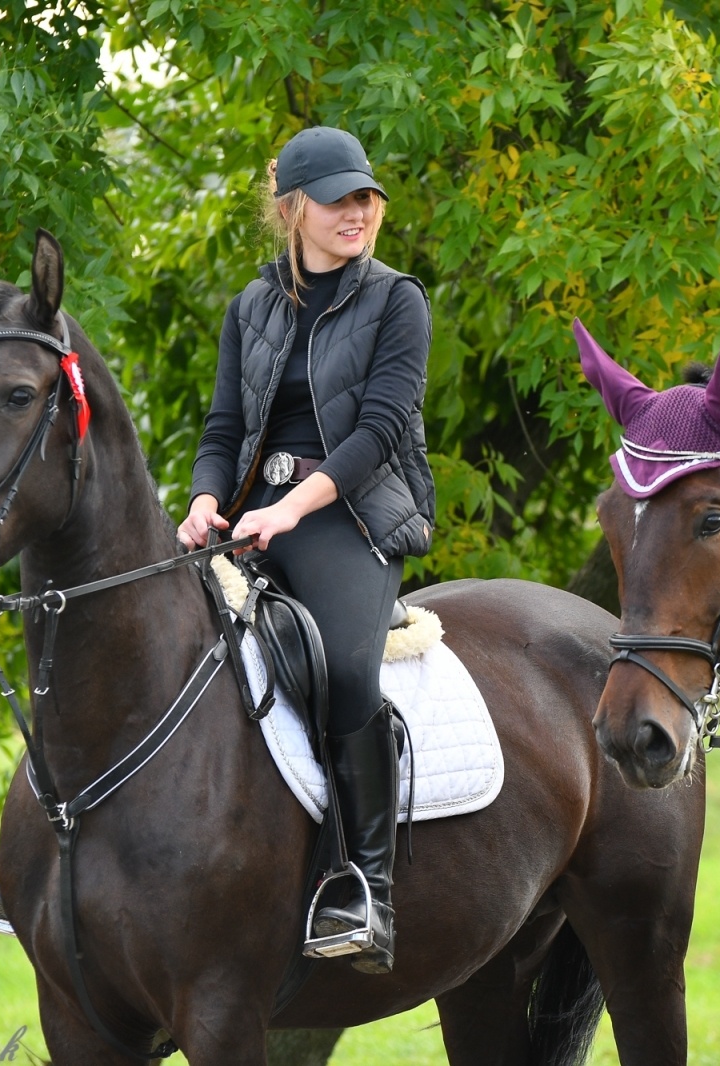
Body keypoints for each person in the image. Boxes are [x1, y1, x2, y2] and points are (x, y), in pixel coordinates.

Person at [177, 125, 435, 974]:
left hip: (349, 515)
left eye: (365, 197)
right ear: (292, 209)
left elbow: (380, 429)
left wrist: (293, 508)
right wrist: (205, 501)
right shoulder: (250, 307)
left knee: (349, 671)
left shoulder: (398, 299)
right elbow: (223, 428)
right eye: (337, 199)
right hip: (251, 515)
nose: (356, 213)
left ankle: (368, 888)